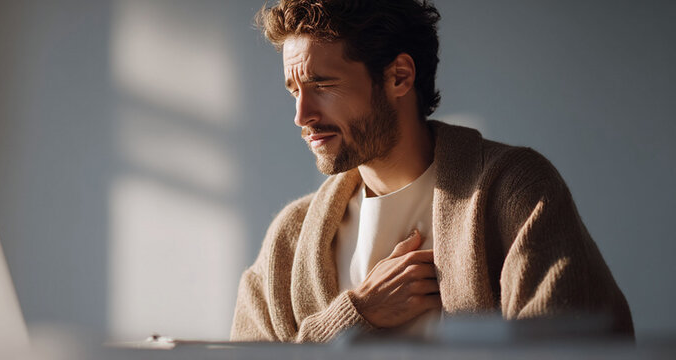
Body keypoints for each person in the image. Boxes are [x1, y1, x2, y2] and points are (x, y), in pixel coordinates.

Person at [230, 0, 632, 343]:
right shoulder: (290, 237)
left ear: (399, 77)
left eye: (322, 85)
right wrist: (354, 318)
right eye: (294, 90)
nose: (302, 115)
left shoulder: (515, 190)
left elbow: (575, 345)